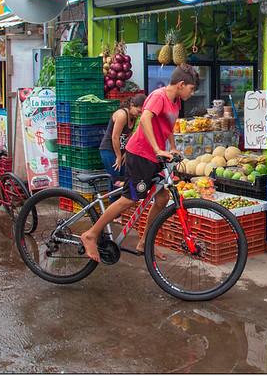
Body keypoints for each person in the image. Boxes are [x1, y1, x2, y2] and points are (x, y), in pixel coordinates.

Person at [80, 64, 199, 261]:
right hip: (141, 154)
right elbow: (145, 119)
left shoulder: (176, 102)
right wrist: (158, 149)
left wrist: (172, 146)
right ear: (180, 84)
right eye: (191, 88)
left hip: (155, 158)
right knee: (130, 199)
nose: (192, 93)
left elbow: (167, 126)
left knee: (162, 199)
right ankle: (91, 234)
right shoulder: (159, 96)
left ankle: (144, 242)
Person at [98, 93, 146, 186]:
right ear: (132, 105)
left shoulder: (134, 117)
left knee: (124, 178)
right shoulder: (122, 115)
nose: (139, 114)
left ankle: (118, 199)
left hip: (122, 151)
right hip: (109, 149)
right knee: (116, 180)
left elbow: (130, 135)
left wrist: (125, 152)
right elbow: (115, 137)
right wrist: (118, 156)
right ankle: (113, 199)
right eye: (138, 111)